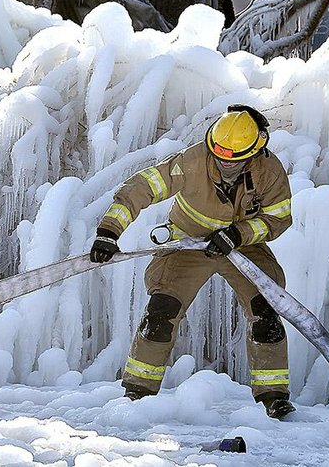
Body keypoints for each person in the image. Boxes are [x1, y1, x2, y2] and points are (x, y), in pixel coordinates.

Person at [90, 105, 295, 419]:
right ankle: (137, 395)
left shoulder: (270, 172)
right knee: (161, 311)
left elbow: (278, 219)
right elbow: (141, 188)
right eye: (220, 157)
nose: (225, 164)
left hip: (242, 247)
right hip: (188, 243)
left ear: (254, 153)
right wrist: (109, 231)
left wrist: (238, 234)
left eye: (234, 160)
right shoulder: (191, 161)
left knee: (266, 311)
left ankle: (274, 398)